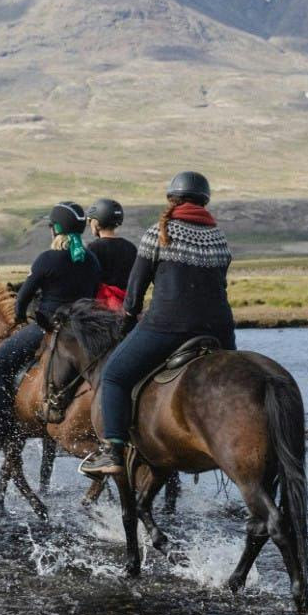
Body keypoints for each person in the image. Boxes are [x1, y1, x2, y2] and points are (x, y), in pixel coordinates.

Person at [81, 171, 236, 475]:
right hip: (219, 330)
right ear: (205, 200)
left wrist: (127, 322)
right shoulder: (220, 238)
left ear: (171, 198)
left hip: (167, 326)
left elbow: (136, 290)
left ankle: (112, 449)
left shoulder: (158, 232)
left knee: (114, 375)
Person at [0, 202, 101, 447]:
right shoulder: (91, 260)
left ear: (55, 229)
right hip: (83, 331)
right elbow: (92, 295)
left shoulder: (47, 258)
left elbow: (23, 297)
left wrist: (19, 317)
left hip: (48, 328)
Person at [87, 198, 137, 311]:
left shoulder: (93, 248)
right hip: (125, 305)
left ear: (96, 223)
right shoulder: (130, 247)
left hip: (101, 306)